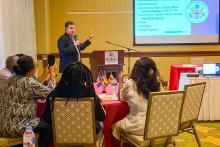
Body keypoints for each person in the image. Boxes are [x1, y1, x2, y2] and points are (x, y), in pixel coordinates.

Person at [0, 55, 56, 146]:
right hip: (17, 126)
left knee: (40, 124)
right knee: (48, 128)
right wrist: (52, 77)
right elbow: (51, 94)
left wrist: (45, 74)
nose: (37, 67)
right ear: (31, 70)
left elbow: (33, 88)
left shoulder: (12, 78)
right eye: (36, 65)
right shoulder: (29, 83)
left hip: (3, 125)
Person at [42, 61, 106, 135]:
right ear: (85, 76)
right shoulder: (89, 92)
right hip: (86, 136)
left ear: (65, 75)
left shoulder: (55, 92)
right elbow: (101, 117)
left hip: (62, 136)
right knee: (101, 124)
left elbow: (47, 118)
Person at [112, 56, 163, 140]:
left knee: (114, 126)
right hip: (156, 125)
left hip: (138, 126)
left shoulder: (130, 83)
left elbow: (121, 98)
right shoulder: (157, 83)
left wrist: (120, 79)